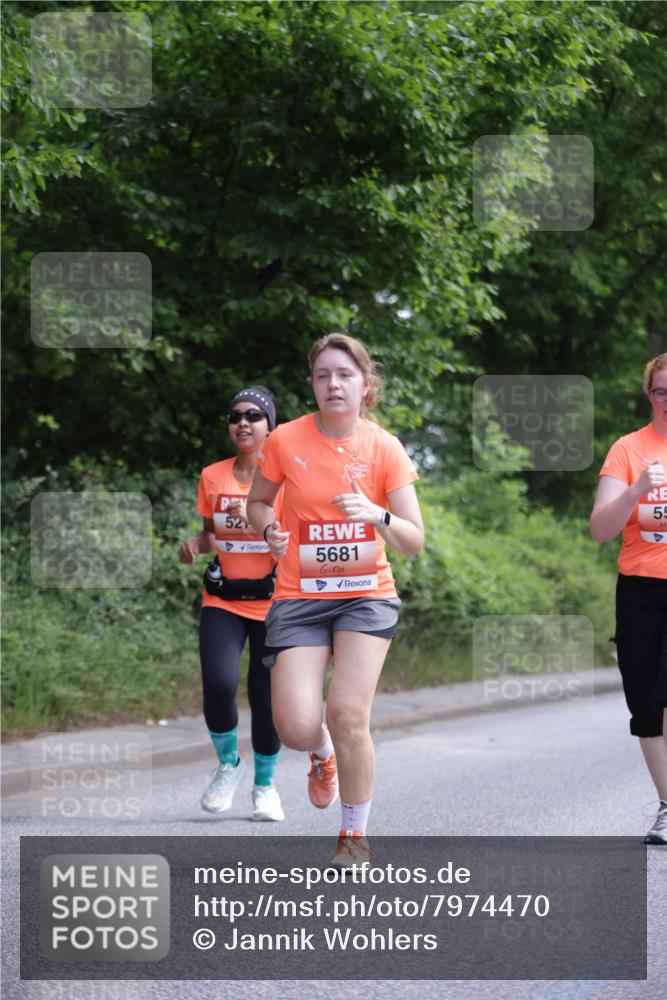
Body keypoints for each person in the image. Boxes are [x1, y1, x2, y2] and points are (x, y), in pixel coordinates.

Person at [247, 333, 424, 864]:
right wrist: (269, 531)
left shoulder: (384, 447)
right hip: (299, 595)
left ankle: (354, 836)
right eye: (323, 375)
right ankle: (320, 755)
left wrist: (378, 516)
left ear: (366, 385)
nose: (333, 384)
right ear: (312, 385)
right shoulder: (286, 441)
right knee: (297, 725)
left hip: (366, 596)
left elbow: (413, 538)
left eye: (344, 375)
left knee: (348, 713)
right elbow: (258, 504)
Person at [179, 386, 285, 822]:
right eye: (235, 415)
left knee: (265, 699)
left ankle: (265, 787)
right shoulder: (212, 475)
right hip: (223, 600)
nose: (243, 422)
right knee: (220, 686)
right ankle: (229, 766)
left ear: (270, 426)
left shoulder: (284, 479)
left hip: (274, 602)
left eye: (254, 416)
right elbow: (213, 533)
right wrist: (195, 545)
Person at [590, 353, 667, 844]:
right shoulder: (628, 449)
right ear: (649, 395)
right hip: (640, 589)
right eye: (662, 391)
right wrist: (638, 487)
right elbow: (600, 528)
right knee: (646, 701)